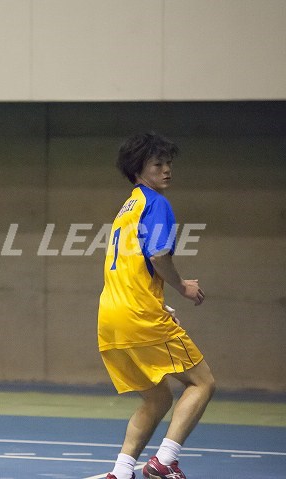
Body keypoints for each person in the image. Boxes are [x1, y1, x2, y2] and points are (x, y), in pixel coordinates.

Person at [98, 132, 216, 479]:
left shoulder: (128, 207)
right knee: (202, 383)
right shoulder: (156, 203)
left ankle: (121, 471)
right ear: (138, 169)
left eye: (168, 164)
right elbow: (158, 255)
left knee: (158, 398)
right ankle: (165, 460)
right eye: (157, 164)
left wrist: (157, 302)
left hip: (110, 318)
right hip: (139, 315)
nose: (167, 170)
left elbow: (130, 266)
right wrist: (181, 287)